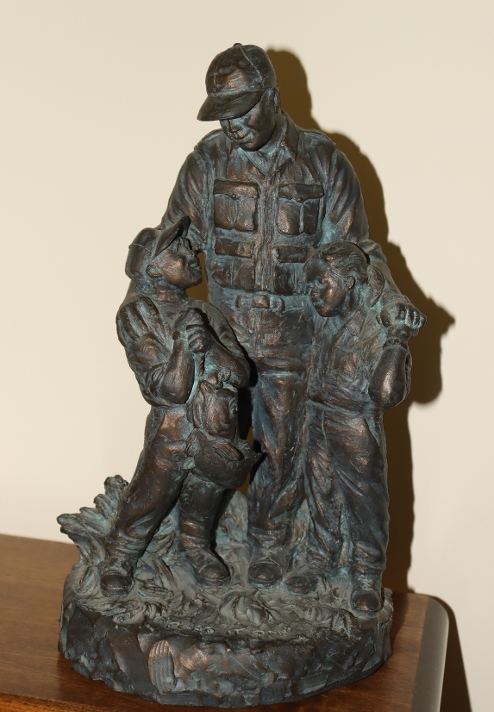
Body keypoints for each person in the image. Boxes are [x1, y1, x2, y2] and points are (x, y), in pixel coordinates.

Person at [159, 44, 425, 586]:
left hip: (294, 336)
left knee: (283, 447)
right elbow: (168, 247)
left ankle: (270, 542)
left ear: (273, 98)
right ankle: (193, 539)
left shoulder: (324, 163)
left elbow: (354, 255)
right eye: (222, 114)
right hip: (222, 334)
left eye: (243, 109)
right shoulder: (205, 163)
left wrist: (388, 310)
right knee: (208, 441)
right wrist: (152, 315)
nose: (233, 125)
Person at [101, 217, 255, 595]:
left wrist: (211, 344)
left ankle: (195, 546)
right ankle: (121, 555)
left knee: (205, 492)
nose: (191, 253)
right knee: (153, 494)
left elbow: (241, 374)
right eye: (178, 249)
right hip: (173, 429)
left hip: (216, 427)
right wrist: (185, 347)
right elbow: (169, 391)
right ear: (153, 268)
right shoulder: (138, 314)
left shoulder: (208, 313)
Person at [300, 241, 424, 612]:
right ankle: (320, 558)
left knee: (363, 503)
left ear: (350, 282)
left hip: (354, 423)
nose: (313, 292)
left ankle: (366, 574)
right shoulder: (324, 317)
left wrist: (397, 340)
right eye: (311, 284)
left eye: (322, 283)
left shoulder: (378, 329)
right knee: (319, 492)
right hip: (317, 417)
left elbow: (386, 394)